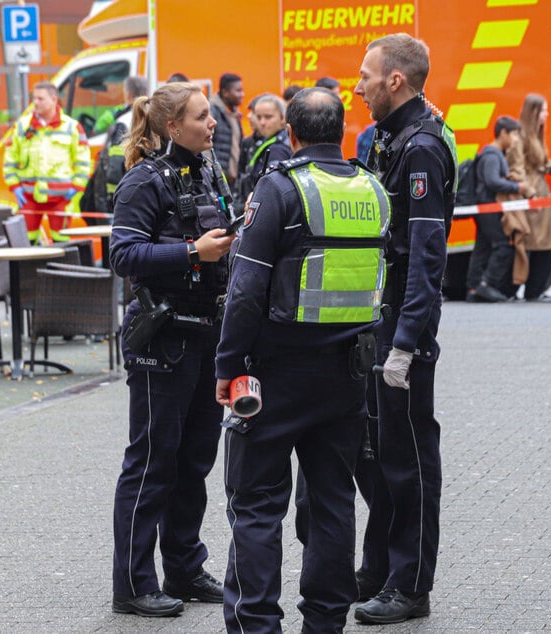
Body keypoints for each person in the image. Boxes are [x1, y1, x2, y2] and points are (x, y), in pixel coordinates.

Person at [215, 87, 388, 633]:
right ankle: (325, 623)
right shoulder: (372, 189)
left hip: (275, 373)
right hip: (346, 376)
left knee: (258, 504)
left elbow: (245, 290)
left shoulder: (280, 188)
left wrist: (227, 365)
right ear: (341, 131)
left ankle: (257, 623)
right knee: (334, 500)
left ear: (291, 134)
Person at [109, 81, 236, 618]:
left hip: (207, 334)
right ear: (171, 127)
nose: (213, 124)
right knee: (152, 463)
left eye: (210, 116)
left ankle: (183, 569)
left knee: (193, 461)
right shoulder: (144, 181)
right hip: (163, 341)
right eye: (203, 116)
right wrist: (192, 252)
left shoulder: (209, 171)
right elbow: (123, 253)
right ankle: (133, 584)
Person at [352, 33, 457, 624]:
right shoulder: (390, 138)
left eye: (367, 74)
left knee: (410, 460)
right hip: (379, 322)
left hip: (402, 330)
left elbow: (425, 256)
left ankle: (411, 586)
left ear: (396, 79)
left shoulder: (420, 148)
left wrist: (407, 343)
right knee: (380, 456)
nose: (358, 83)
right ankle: (378, 570)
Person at [3, 81, 90, 243]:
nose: (35, 102)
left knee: (62, 242)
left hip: (61, 198)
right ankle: (31, 269)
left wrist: (76, 187)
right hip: (29, 196)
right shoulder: (22, 126)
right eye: (34, 98)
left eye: (40, 99)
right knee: (26, 242)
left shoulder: (71, 127)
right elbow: (10, 159)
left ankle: (61, 268)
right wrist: (15, 186)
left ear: (54, 99)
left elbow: (83, 161)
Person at [465, 115, 534, 302]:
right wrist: (517, 187)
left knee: (483, 247)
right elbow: (492, 181)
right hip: (489, 207)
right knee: (503, 246)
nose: (515, 140)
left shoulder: (492, 154)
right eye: (513, 135)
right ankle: (487, 284)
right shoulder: (492, 155)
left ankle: (472, 289)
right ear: (503, 133)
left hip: (485, 207)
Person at [506, 94, 551, 300]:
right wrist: (530, 194)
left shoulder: (535, 135)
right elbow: (517, 168)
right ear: (533, 112)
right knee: (535, 248)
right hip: (533, 199)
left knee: (544, 248)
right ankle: (529, 290)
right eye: (543, 110)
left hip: (540, 197)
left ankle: (534, 290)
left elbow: (541, 164)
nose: (546, 114)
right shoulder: (521, 137)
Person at [80, 76, 150, 219]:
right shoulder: (155, 116)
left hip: (128, 194)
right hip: (148, 189)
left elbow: (115, 168)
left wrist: (113, 199)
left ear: (128, 94)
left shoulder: (123, 121)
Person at [234, 93, 292, 203]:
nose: (262, 122)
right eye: (259, 117)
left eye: (268, 117)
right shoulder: (263, 141)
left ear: (282, 118)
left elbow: (272, 191)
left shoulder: (278, 149)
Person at [210, 73, 244, 186]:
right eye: (238, 90)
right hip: (217, 180)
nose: (242, 94)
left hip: (231, 182)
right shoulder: (213, 111)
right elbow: (206, 147)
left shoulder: (234, 114)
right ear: (225, 93)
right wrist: (212, 173)